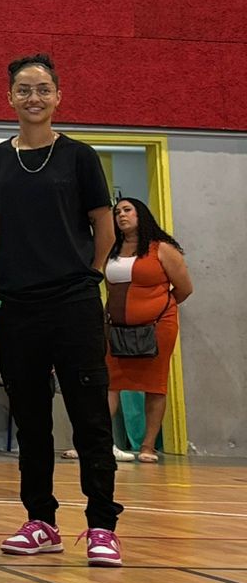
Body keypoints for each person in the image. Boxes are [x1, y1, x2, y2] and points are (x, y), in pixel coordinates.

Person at [0, 53, 122, 569]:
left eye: (42, 89)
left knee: (89, 419)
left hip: (74, 303)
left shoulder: (80, 157)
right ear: (9, 98)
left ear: (58, 97)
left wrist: (90, 275)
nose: (33, 97)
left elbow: (103, 226)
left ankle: (102, 526)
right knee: (32, 420)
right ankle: (41, 521)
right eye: (23, 89)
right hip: (18, 306)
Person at [105, 196, 192, 464]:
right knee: (109, 382)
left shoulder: (162, 248)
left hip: (157, 326)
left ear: (140, 214)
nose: (121, 215)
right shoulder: (111, 248)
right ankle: (96, 441)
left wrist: (155, 308)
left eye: (127, 210)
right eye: (117, 212)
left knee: (154, 384)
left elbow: (184, 288)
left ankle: (147, 446)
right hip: (116, 328)